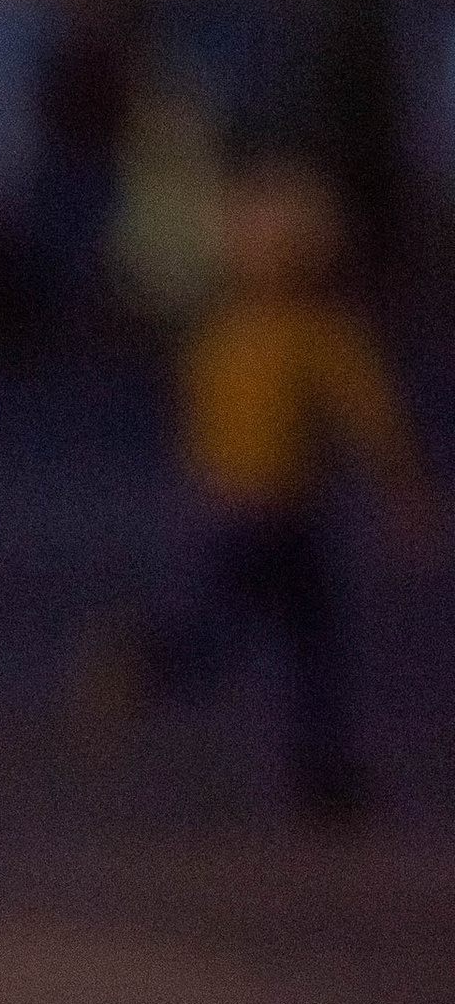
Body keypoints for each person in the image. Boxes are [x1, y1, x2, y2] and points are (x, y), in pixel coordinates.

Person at [124, 148, 433, 820]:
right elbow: (370, 413)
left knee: (304, 640)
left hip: (256, 508)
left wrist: (401, 487)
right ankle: (159, 662)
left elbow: (365, 412)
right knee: (282, 636)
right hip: (258, 511)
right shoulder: (290, 333)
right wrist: (403, 487)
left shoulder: (243, 331)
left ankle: (310, 762)